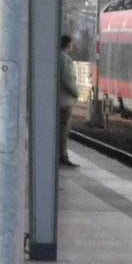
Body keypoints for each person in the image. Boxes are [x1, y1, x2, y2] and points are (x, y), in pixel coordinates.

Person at [57, 34, 80, 167]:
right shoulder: (65, 59)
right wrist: (76, 93)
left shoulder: (57, 57)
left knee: (60, 129)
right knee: (63, 130)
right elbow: (68, 79)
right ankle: (62, 156)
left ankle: (60, 155)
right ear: (68, 45)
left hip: (59, 100)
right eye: (71, 44)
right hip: (65, 101)